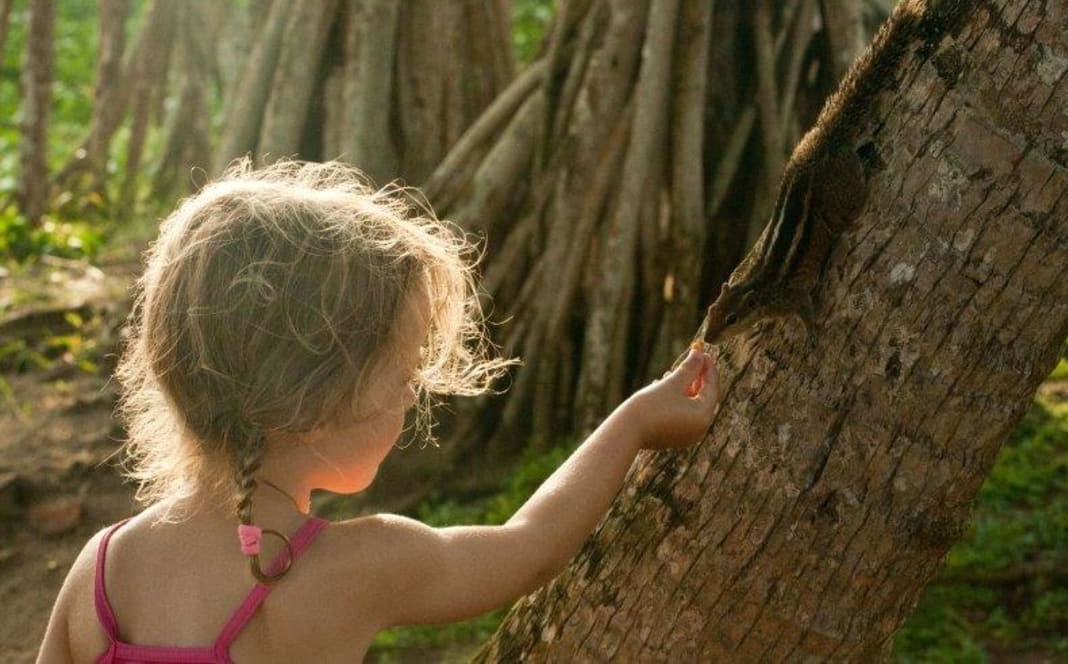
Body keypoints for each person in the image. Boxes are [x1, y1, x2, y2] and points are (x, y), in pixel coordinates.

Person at [37, 160, 719, 663]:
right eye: (400, 375)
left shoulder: (102, 570)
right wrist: (635, 422)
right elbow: (529, 549)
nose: (411, 393)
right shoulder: (356, 567)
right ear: (314, 409)